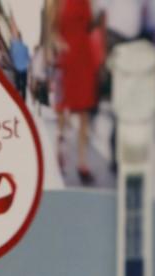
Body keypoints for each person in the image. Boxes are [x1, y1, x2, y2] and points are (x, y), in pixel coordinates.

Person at [54, 0, 99, 183]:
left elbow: (92, 24)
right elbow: (53, 31)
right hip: (67, 59)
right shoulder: (57, 3)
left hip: (84, 56)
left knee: (84, 112)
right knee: (63, 109)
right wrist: (59, 46)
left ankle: (82, 162)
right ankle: (60, 149)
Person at [9, 26, 31, 101]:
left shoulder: (13, 46)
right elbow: (28, 58)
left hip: (16, 69)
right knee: (24, 87)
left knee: (17, 87)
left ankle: (17, 101)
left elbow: (11, 57)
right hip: (24, 69)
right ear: (21, 37)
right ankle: (23, 102)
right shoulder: (25, 47)